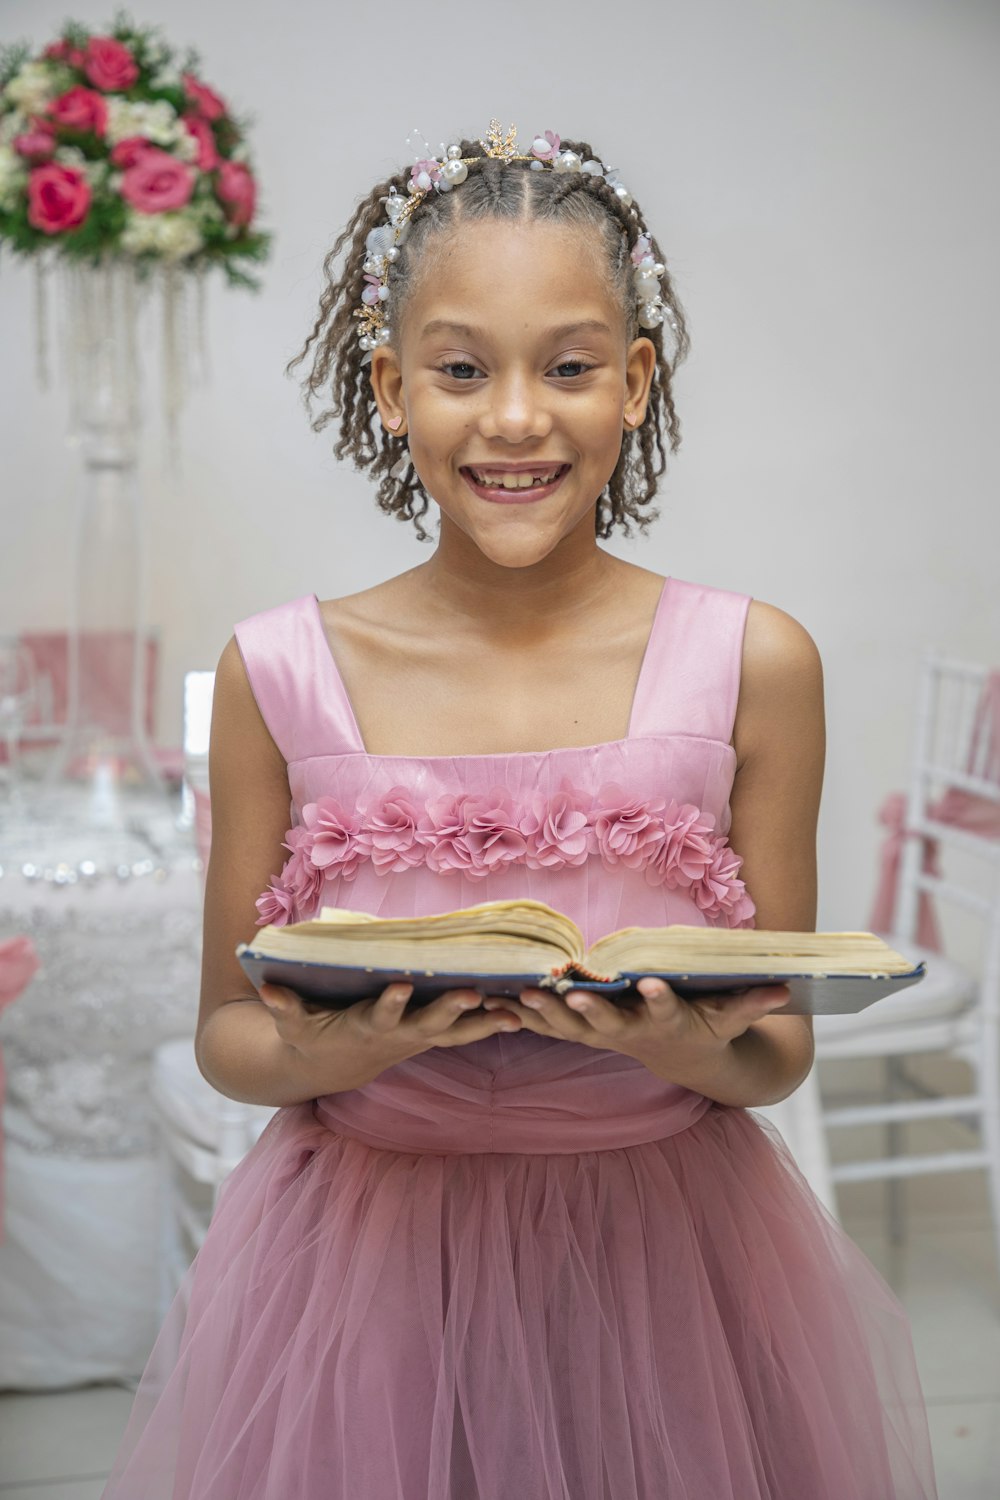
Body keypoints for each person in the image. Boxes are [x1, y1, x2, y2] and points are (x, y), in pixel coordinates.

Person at [102, 123, 938, 1499]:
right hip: (365, 1266)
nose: (513, 418)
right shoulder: (279, 671)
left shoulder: (756, 661)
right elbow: (227, 1037)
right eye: (458, 369)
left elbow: (774, 1045)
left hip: (668, 1255)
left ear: (634, 381)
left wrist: (693, 1049)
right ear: (388, 386)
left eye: (567, 366)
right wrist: (340, 1050)